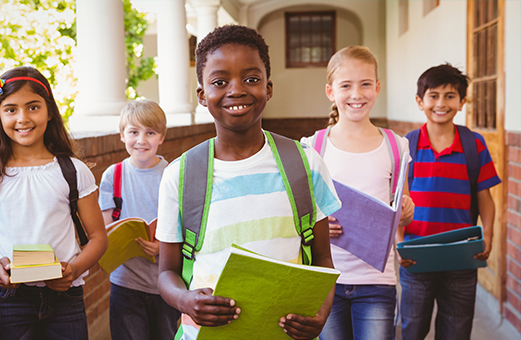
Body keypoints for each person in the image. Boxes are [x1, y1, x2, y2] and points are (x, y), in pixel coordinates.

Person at [156, 24, 342, 340]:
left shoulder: (305, 163)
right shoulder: (181, 175)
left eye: (251, 79)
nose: (237, 90)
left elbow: (322, 257)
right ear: (202, 95)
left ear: (268, 88)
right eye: (219, 81)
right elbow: (166, 272)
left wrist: (321, 311)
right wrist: (185, 300)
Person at [0, 66, 108, 340]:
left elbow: (98, 237)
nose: (23, 118)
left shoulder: (73, 171)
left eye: (33, 107)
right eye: (11, 109)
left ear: (50, 111)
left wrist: (73, 270)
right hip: (9, 299)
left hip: (66, 296)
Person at [300, 46, 415, 340]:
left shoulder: (395, 145)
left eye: (365, 84)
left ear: (377, 87)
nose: (357, 94)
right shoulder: (313, 147)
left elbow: (401, 205)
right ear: (330, 91)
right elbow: (301, 213)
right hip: (326, 281)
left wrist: (405, 209)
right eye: (346, 85)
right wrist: (319, 225)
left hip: (377, 280)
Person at [397, 63, 501, 340]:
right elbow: (397, 201)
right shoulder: (408, 145)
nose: (441, 103)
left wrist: (487, 234)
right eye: (433, 95)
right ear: (420, 102)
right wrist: (399, 241)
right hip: (417, 258)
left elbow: (485, 198)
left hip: (462, 258)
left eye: (450, 96)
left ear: (462, 102)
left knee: (456, 330)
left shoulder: (474, 144)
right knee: (411, 328)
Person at [98, 99, 180, 340]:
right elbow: (105, 230)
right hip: (125, 284)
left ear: (162, 137)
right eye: (133, 132)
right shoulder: (113, 175)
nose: (141, 140)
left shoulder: (173, 175)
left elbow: (186, 227)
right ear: (122, 135)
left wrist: (162, 247)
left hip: (165, 283)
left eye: (150, 132)